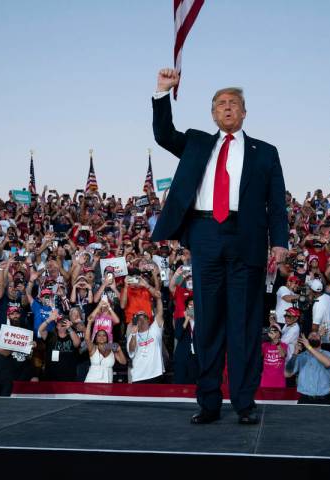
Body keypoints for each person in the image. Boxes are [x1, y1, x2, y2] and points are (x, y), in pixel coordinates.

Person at [151, 68, 288, 425]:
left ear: (244, 112)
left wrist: (281, 243)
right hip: (206, 234)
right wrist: (162, 92)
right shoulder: (197, 142)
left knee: (243, 325)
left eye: (234, 103)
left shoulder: (265, 152)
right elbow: (164, 134)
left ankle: (244, 403)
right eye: (221, 104)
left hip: (248, 238)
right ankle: (209, 401)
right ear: (213, 114)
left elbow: (277, 203)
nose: (227, 108)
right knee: (209, 323)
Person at [285, 333, 330, 404]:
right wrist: (295, 354)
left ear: (321, 341)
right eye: (311, 335)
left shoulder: (327, 354)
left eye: (316, 335)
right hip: (305, 399)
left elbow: (328, 363)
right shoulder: (300, 356)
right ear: (306, 340)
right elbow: (287, 374)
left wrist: (309, 347)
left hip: (325, 398)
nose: (314, 335)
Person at [127, 295, 166, 384]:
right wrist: (133, 334)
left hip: (156, 374)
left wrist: (159, 298)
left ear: (148, 320)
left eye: (143, 317)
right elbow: (131, 351)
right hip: (138, 376)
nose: (141, 320)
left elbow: (159, 313)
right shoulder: (133, 335)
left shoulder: (155, 329)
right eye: (138, 319)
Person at [84, 314, 126, 383]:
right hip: (92, 382)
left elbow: (123, 362)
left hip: (107, 382)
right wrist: (89, 323)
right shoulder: (93, 348)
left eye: (104, 335)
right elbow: (87, 339)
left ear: (107, 338)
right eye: (99, 335)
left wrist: (119, 350)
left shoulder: (112, 348)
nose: (101, 337)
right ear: (96, 339)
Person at [173, 297, 198, 384]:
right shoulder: (180, 321)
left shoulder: (201, 322)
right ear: (187, 308)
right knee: (179, 382)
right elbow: (178, 335)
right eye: (190, 305)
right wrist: (186, 319)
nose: (193, 308)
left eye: (195, 306)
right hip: (182, 356)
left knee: (192, 384)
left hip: (195, 357)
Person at [260, 323, 287, 388]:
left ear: (279, 334)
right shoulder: (264, 345)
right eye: (271, 330)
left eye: (275, 330)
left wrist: (276, 342)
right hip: (266, 381)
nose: (272, 332)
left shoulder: (283, 345)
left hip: (279, 381)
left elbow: (283, 355)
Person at [310, 279, 330, 344]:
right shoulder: (328, 297)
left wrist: (313, 339)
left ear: (312, 291)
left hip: (323, 337)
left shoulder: (318, 304)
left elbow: (315, 325)